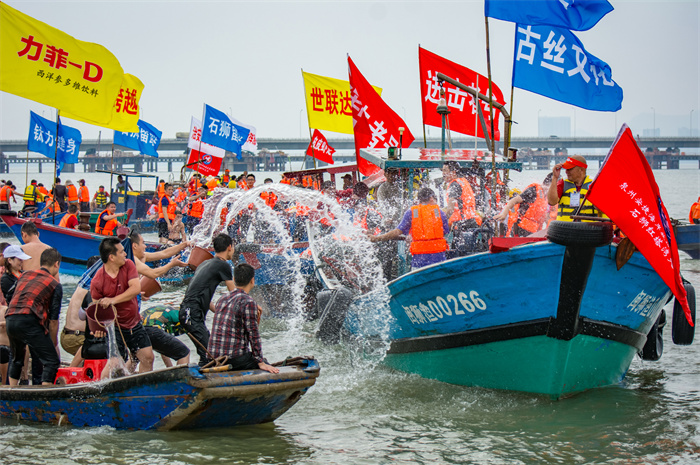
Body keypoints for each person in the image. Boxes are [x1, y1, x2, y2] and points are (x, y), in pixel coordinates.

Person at [91, 237, 154, 373]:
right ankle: (104, 391)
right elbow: (95, 307)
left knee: (148, 357)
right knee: (114, 363)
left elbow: (135, 288)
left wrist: (113, 300)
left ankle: (143, 389)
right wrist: (96, 328)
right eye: (122, 252)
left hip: (133, 323)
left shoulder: (128, 264)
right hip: (114, 327)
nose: (125, 254)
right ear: (111, 257)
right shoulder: (97, 280)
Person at [5, 248, 62, 386]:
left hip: (10, 318)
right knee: (52, 361)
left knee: (17, 359)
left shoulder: (24, 275)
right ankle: (44, 399)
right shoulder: (55, 284)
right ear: (56, 264)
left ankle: (11, 394)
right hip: (28, 320)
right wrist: (53, 344)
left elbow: (9, 295)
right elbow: (54, 321)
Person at [208, 263, 279, 374]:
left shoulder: (223, 298)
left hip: (213, 357)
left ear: (234, 279)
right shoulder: (248, 302)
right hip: (232, 359)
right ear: (252, 280)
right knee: (267, 366)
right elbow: (253, 334)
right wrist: (260, 361)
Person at [179, 233, 236, 366]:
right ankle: (204, 382)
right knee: (209, 354)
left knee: (207, 351)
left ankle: (204, 376)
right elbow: (235, 294)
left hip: (187, 312)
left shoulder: (205, 263)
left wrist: (218, 312)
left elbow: (200, 294)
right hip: (191, 314)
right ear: (229, 247)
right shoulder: (223, 265)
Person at [369, 187, 449, 269]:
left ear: (419, 200)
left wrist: (377, 238)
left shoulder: (411, 212)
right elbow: (445, 232)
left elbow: (396, 232)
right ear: (432, 198)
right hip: (440, 262)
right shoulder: (440, 213)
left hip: (419, 263)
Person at [61, 256, 101, 361]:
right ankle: (72, 369)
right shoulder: (93, 287)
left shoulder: (82, 283)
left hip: (66, 335)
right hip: (77, 338)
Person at [547, 155, 601, 221]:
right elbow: (551, 202)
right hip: (565, 227)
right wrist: (555, 178)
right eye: (566, 169)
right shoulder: (562, 183)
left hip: (589, 228)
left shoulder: (594, 184)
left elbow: (602, 209)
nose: (566, 172)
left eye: (570, 169)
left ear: (581, 170)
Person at [442, 161, 481, 245]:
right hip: (471, 221)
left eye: (445, 170)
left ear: (453, 172)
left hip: (462, 224)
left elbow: (450, 209)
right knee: (470, 250)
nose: (443, 173)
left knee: (460, 250)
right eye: (442, 170)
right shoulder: (463, 181)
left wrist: (441, 222)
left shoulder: (454, 185)